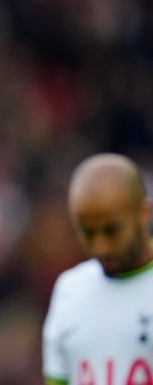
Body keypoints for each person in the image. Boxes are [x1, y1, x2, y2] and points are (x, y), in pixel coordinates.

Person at [42, 153, 153, 385]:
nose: (100, 247)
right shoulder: (69, 290)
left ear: (144, 213)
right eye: (87, 232)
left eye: (111, 230)